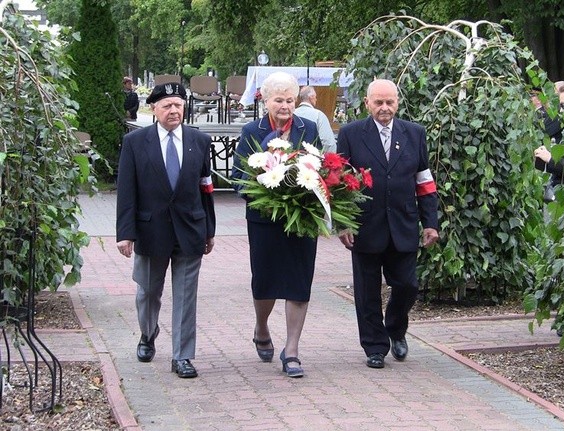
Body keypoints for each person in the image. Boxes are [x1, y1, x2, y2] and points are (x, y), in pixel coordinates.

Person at [336, 79, 440, 369]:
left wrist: (430, 223)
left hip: (404, 224)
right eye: (378, 102)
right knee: (367, 292)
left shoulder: (415, 134)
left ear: (398, 102)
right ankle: (375, 346)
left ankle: (395, 328)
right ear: (367, 103)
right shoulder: (351, 134)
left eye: (389, 102)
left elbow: (424, 181)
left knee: (407, 285)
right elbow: (339, 181)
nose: (384, 108)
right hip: (365, 227)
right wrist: (343, 224)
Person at [116, 82, 216, 379]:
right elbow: (126, 191)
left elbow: (205, 187)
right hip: (150, 230)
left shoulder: (199, 141)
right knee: (148, 292)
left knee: (186, 296)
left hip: (190, 229)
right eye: (167, 106)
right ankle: (148, 334)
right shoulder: (135, 142)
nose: (174, 110)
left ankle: (182, 356)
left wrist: (209, 229)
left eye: (178, 105)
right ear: (154, 109)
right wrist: (125, 232)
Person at [231, 72, 320, 378]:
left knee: (299, 281)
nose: (285, 106)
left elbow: (320, 167)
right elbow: (239, 177)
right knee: (265, 280)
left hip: (302, 218)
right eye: (278, 100)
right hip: (264, 220)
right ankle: (261, 326)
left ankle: (292, 350)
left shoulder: (308, 128)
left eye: (290, 100)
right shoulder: (250, 131)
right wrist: (264, 197)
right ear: (265, 100)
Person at [294, 85, 337, 153]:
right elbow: (328, 143)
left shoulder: (292, 114)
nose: (316, 99)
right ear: (311, 97)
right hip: (314, 159)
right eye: (315, 97)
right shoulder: (319, 116)